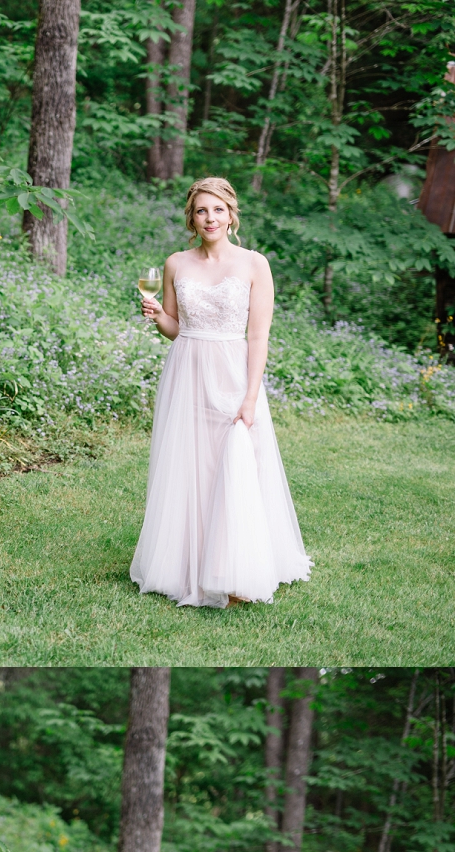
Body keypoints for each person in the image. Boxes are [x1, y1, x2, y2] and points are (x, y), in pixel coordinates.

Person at [130, 177, 312, 608]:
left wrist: (250, 397)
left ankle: (237, 571)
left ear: (231, 215)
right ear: (191, 219)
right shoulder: (175, 263)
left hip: (234, 373)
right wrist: (156, 315)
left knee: (236, 464)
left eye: (217, 209)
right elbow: (177, 330)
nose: (209, 218)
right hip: (187, 372)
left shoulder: (254, 264)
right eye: (200, 211)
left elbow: (259, 337)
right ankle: (187, 563)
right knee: (193, 466)